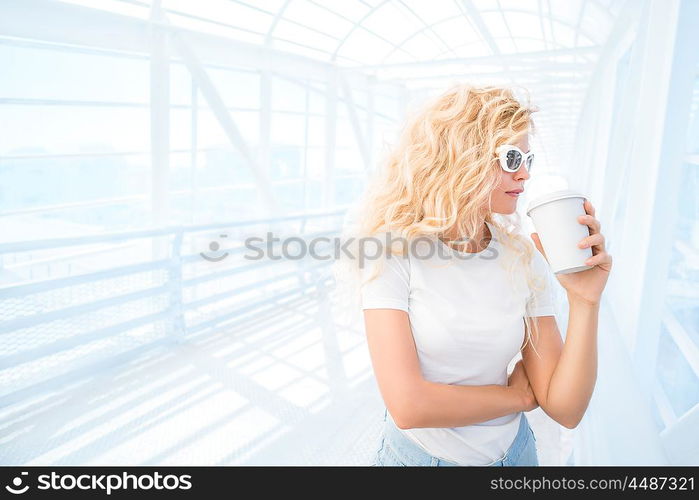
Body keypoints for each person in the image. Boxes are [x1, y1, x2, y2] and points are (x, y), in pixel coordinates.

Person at [332, 84, 613, 466]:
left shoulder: (522, 256)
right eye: (512, 158)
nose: (525, 174)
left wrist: (584, 300)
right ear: (463, 157)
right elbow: (408, 406)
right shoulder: (391, 252)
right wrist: (519, 398)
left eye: (528, 159)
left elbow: (566, 409)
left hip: (516, 456)